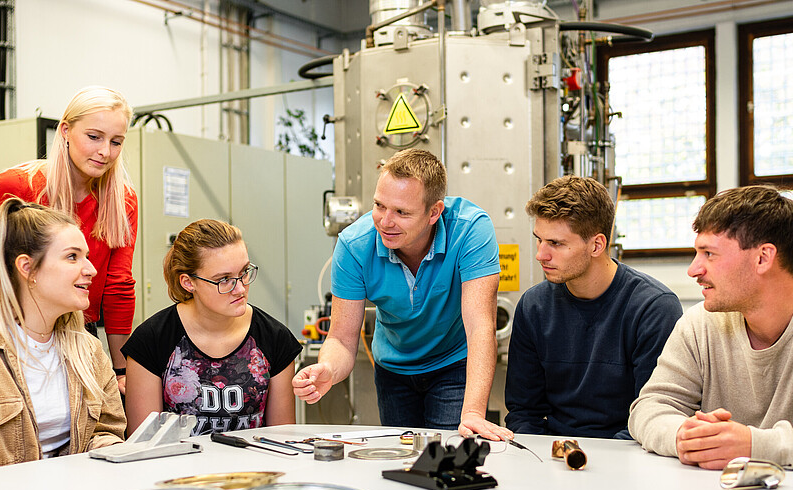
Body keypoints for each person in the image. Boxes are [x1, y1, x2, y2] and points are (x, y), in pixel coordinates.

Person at [292, 148, 510, 440]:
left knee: (449, 454)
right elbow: (342, 338)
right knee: (404, 459)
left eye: (402, 212)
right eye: (380, 206)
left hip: (453, 362)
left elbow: (480, 325)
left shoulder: (470, 230)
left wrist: (472, 412)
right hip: (393, 368)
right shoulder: (354, 245)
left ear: (434, 212)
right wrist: (328, 369)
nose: (385, 221)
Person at [505, 175, 682, 439]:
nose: (540, 254)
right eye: (539, 240)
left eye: (555, 243)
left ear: (597, 245)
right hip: (555, 454)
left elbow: (654, 415)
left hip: (631, 455)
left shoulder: (654, 309)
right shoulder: (534, 307)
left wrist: (597, 465)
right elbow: (523, 412)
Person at [629, 186, 793, 469]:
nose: (693, 270)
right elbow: (651, 406)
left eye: (709, 253)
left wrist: (754, 445)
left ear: (763, 258)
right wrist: (687, 436)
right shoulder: (700, 323)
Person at [0, 86, 137, 395]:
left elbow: (118, 285)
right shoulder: (16, 186)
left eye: (116, 142)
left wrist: (121, 369)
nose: (105, 152)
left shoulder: (122, 200)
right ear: (66, 130)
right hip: (11, 328)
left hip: (78, 330)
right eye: (94, 137)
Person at [122, 219, 301, 436]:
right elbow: (143, 446)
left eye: (244, 272)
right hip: (175, 469)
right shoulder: (151, 341)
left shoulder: (275, 339)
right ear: (188, 282)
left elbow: (280, 441)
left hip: (253, 468)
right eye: (224, 279)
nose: (240, 288)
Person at [0, 198, 125, 466]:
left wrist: (110, 448)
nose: (91, 269)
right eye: (72, 257)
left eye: (86, 257)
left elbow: (107, 429)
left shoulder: (88, 350)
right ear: (27, 268)